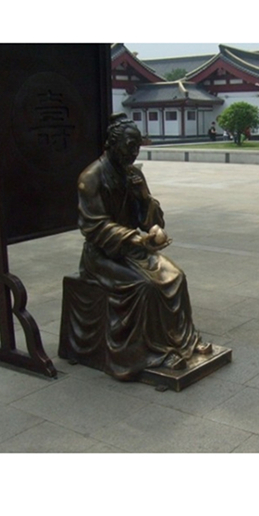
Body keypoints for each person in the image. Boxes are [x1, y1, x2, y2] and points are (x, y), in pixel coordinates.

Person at [73, 113, 211, 380]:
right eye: (129, 146)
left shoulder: (133, 174)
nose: (134, 153)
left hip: (134, 249)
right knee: (146, 286)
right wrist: (136, 239)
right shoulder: (91, 178)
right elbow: (94, 227)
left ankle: (183, 341)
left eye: (137, 147)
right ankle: (153, 352)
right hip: (102, 254)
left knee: (176, 276)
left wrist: (144, 199)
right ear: (112, 144)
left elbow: (148, 221)